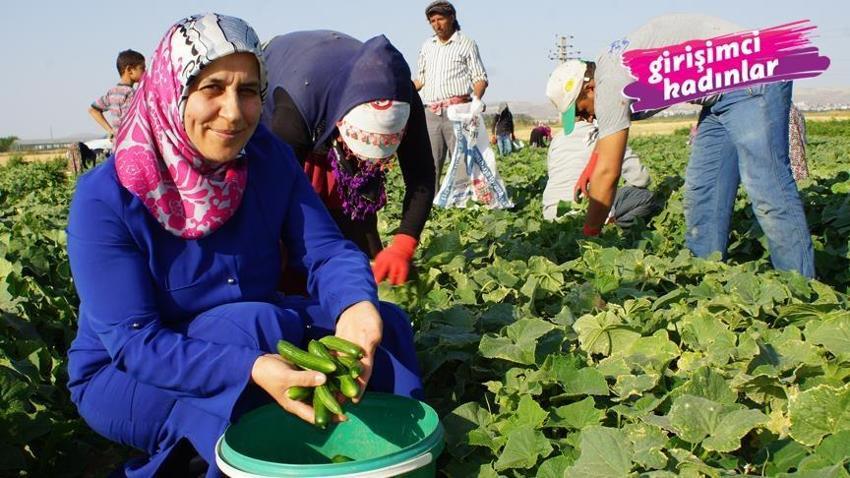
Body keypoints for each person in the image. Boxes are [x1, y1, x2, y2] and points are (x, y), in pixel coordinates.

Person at [65, 14, 423, 477]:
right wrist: (253, 368)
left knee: (385, 325)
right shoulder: (107, 197)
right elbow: (137, 346)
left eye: (249, 90)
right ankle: (204, 458)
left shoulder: (266, 157)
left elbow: (327, 251)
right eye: (212, 88)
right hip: (130, 374)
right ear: (173, 90)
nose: (233, 112)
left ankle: (392, 456)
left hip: (256, 332)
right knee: (253, 328)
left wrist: (355, 304)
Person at [557, 14, 814, 278]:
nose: (587, 118)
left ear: (589, 89)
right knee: (704, 189)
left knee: (766, 185)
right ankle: (704, 278)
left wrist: (590, 236)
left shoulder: (609, 85)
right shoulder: (606, 66)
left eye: (582, 111)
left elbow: (609, 173)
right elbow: (605, 144)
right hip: (720, 95)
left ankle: (800, 287)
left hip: (751, 72)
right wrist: (591, 164)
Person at [262, 31, 435, 286]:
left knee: (361, 248)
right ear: (341, 127)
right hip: (287, 83)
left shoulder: (404, 97)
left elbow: (422, 175)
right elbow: (275, 195)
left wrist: (403, 244)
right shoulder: (294, 113)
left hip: (328, 90)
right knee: (288, 250)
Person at [414, 0, 489, 188]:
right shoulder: (427, 46)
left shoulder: (466, 44)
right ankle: (430, 204)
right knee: (429, 161)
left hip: (458, 110)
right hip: (431, 112)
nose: (436, 25)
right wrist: (400, 87)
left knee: (461, 160)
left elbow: (480, 77)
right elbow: (420, 80)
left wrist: (477, 100)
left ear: (452, 18)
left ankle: (459, 203)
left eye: (440, 19)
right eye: (432, 21)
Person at [542, 118, 656, 225]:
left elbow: (552, 173)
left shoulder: (557, 138)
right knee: (645, 197)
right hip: (587, 213)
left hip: (550, 216)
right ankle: (616, 232)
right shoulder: (607, 136)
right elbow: (642, 179)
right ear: (592, 116)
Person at [88, 49, 146, 141]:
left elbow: (93, 110)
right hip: (130, 145)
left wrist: (110, 130)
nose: (145, 72)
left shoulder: (111, 93)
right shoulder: (132, 94)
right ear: (130, 70)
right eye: (142, 68)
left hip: (118, 146)